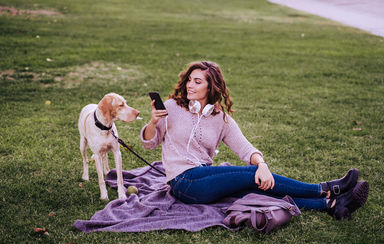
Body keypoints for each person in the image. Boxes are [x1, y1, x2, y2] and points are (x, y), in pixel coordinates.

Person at [141, 61, 369, 220]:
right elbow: (149, 143)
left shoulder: (220, 118)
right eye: (190, 80)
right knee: (252, 176)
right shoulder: (171, 107)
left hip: (205, 179)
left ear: (211, 87)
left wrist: (262, 164)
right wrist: (152, 122)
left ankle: (331, 205)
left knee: (256, 194)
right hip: (183, 182)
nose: (190, 85)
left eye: (198, 82)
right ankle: (325, 188)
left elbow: (245, 147)